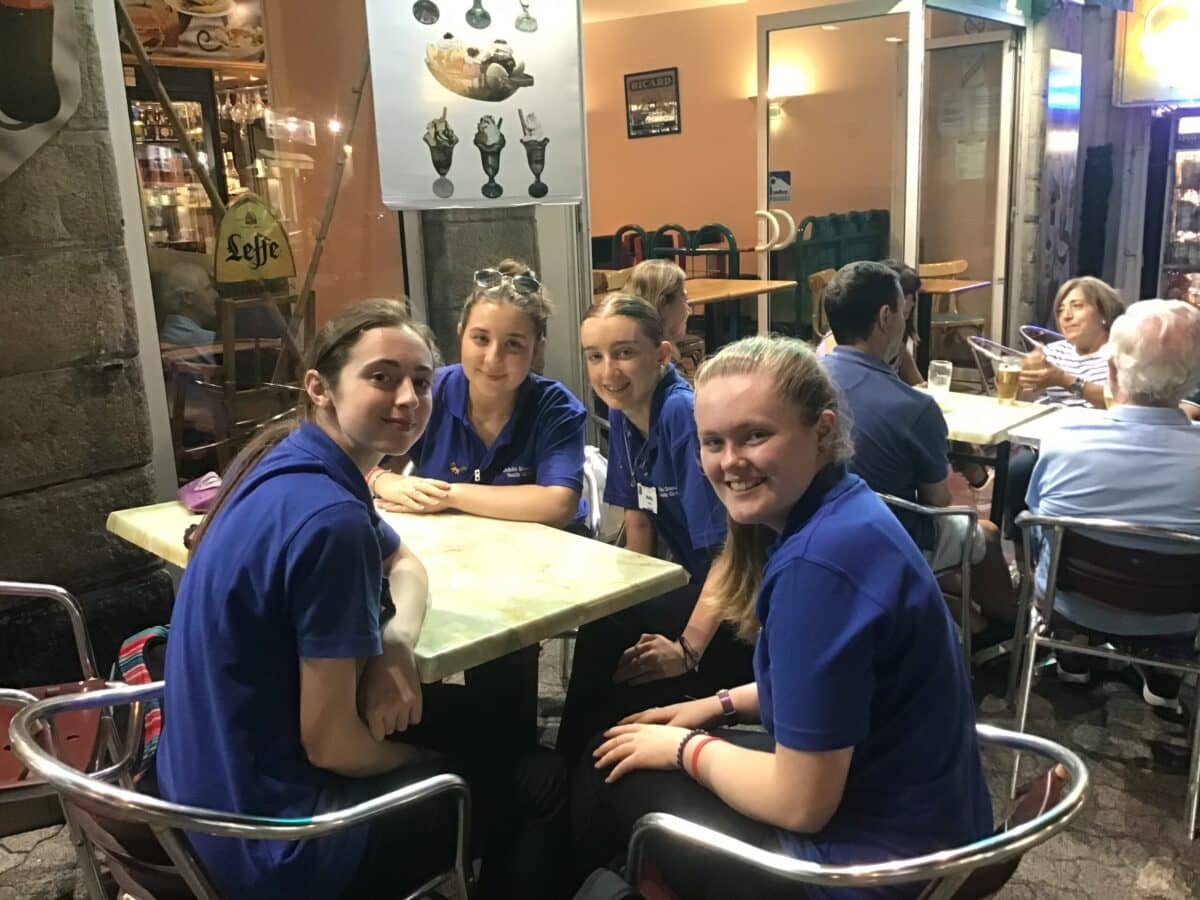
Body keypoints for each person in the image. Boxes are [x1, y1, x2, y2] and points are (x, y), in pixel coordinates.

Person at [156, 299, 567, 900]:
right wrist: (427, 761)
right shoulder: (332, 522)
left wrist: (395, 644)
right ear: (319, 387)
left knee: (485, 727)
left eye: (421, 381)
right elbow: (332, 744)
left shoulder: (278, 455)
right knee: (539, 779)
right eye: (382, 377)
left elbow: (405, 563)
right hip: (282, 844)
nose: (408, 399)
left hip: (195, 795)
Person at [572, 336, 993, 900]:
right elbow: (829, 688)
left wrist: (684, 747)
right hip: (933, 831)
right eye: (713, 442)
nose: (730, 462)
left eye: (755, 436)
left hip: (858, 873)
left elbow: (801, 805)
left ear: (821, 431)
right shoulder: (847, 508)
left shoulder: (815, 568)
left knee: (603, 769)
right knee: (629, 748)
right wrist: (716, 705)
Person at [369, 264, 586, 750]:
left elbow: (557, 503)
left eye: (514, 344)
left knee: (502, 655)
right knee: (398, 632)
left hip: (530, 571)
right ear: (461, 334)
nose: (493, 358)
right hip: (448, 561)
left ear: (538, 349)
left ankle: (511, 760)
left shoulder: (554, 407)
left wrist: (448, 494)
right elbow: (362, 457)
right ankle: (450, 751)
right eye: (481, 339)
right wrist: (383, 478)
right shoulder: (430, 391)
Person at [556, 295, 754, 765]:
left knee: (610, 637)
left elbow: (729, 551)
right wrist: (631, 601)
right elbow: (639, 523)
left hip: (745, 599)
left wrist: (686, 649)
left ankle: (572, 765)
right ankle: (586, 758)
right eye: (594, 356)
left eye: (624, 353)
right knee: (612, 622)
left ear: (661, 355)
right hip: (699, 585)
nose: (608, 371)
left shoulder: (681, 415)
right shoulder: (624, 411)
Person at [820, 261, 1016, 631]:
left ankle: (952, 608)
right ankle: (1006, 631)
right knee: (986, 534)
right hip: (888, 537)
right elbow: (937, 502)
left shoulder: (803, 384)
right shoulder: (914, 407)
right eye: (903, 310)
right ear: (885, 317)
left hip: (817, 532)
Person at [1025, 299, 1200, 705]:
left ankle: (1072, 652)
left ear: (1113, 370)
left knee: (1046, 538)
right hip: (1176, 618)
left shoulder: (1063, 438)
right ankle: (1164, 669)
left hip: (1071, 605)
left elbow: (1036, 526)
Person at [1005, 276, 1126, 543]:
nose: (1066, 316)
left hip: (1098, 443)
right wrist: (1025, 380)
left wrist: (1065, 380)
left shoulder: (1120, 354)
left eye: (1077, 306)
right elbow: (1023, 402)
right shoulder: (1054, 352)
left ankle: (1068, 546)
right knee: (1015, 472)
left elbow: (1118, 399)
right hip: (1046, 441)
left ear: (1103, 313)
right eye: (1060, 310)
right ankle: (1024, 557)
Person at [817, 258, 923, 387]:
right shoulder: (840, 347)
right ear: (885, 315)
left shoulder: (897, 347)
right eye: (904, 295)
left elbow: (919, 384)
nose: (910, 302)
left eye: (912, 295)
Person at [627, 258, 692, 344]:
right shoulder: (657, 351)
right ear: (663, 306)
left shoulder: (633, 343)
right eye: (684, 300)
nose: (689, 311)